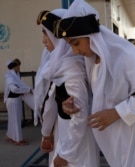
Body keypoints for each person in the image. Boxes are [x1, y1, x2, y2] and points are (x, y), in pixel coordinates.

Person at [54, 0, 135, 166]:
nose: (75, 51)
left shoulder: (124, 55)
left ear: (90, 34)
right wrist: (69, 104)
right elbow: (99, 96)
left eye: (76, 43)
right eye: (70, 45)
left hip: (133, 136)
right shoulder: (91, 60)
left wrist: (116, 113)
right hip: (111, 139)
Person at [36, 9, 99, 167]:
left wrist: (65, 155)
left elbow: (79, 118)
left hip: (74, 149)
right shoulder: (61, 67)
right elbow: (52, 102)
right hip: (65, 136)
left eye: (46, 34)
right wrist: (47, 133)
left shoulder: (72, 72)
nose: (44, 41)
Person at [4, 58, 33, 146]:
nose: (19, 67)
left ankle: (9, 136)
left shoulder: (16, 75)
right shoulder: (10, 77)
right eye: (17, 66)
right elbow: (14, 89)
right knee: (15, 120)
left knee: (14, 119)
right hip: (12, 101)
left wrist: (23, 92)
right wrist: (27, 90)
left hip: (16, 100)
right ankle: (18, 140)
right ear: (13, 67)